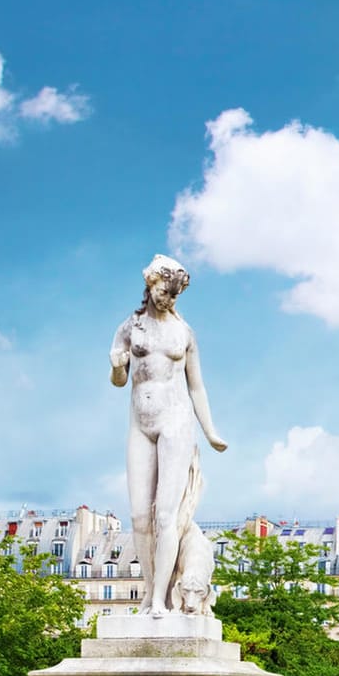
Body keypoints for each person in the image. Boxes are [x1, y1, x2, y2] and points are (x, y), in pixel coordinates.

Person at [110, 255, 227, 617]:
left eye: (174, 296)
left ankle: (160, 597)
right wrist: (116, 366)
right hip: (140, 424)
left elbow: (197, 388)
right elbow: (119, 380)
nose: (168, 300)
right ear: (150, 286)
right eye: (163, 292)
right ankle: (148, 592)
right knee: (138, 517)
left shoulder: (184, 333)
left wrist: (210, 431)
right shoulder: (130, 328)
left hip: (176, 420)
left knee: (166, 516)